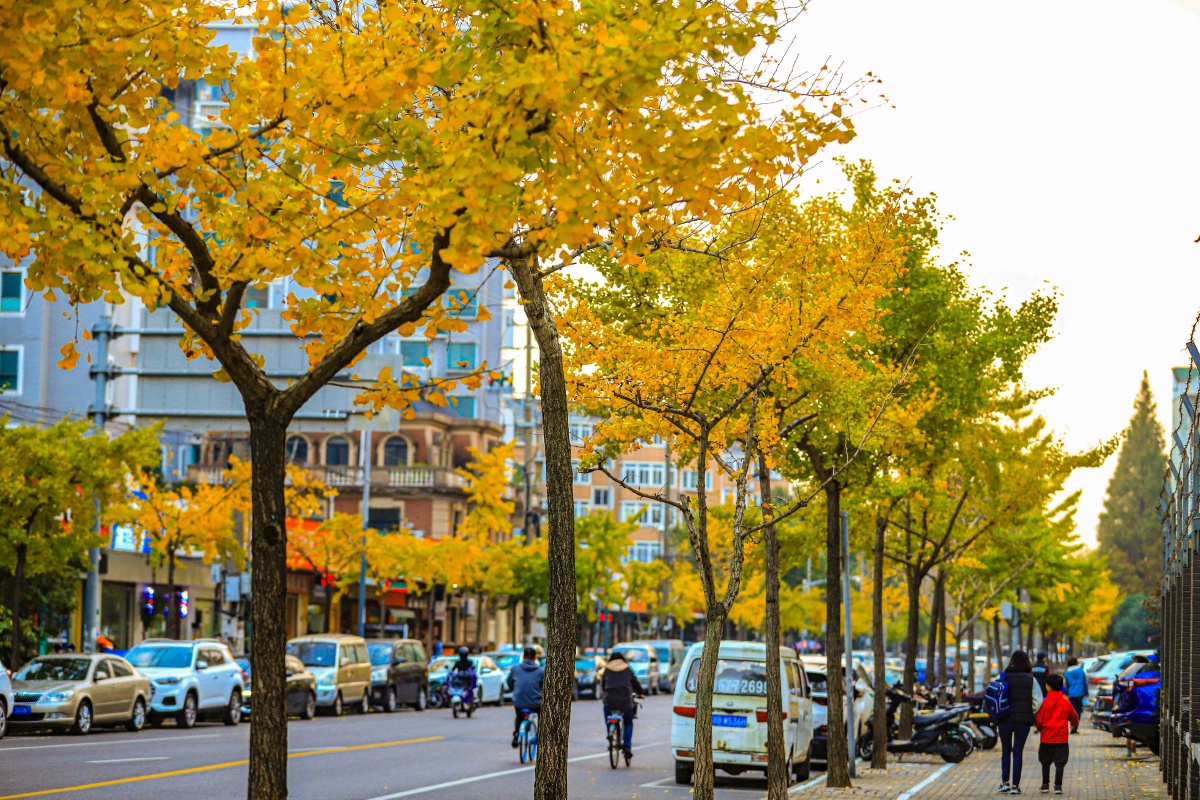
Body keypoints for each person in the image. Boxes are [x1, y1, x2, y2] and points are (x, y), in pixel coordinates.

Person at [998, 650, 1044, 795]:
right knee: (1017, 751)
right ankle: (1015, 786)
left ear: (1012, 661)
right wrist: (1030, 711)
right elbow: (1038, 701)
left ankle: (1005, 782)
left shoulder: (1003, 676)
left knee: (1006, 750)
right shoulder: (1031, 680)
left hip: (1004, 719)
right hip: (1023, 721)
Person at [1035, 674, 1079, 794]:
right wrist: (1073, 724)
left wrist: (1039, 728)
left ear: (1048, 687)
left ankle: (1045, 784)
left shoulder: (1045, 702)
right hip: (1061, 738)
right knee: (1060, 763)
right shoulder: (1065, 702)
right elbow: (1074, 716)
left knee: (1045, 762)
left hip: (1046, 738)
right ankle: (1058, 785)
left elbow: (1039, 719)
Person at [600, 650, 645, 758]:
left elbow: (603, 685)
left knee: (607, 714)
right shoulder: (627, 668)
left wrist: (605, 693)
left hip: (610, 701)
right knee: (628, 722)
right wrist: (640, 693)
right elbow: (635, 683)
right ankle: (627, 746)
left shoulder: (607, 669)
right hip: (625, 702)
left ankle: (610, 732)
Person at [506, 647, 545, 748]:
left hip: (519, 701)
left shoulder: (515, 669)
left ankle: (516, 734)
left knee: (519, 716)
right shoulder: (541, 671)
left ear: (523, 656)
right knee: (542, 714)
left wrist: (513, 689)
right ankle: (539, 735)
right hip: (535, 703)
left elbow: (509, 683)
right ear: (535, 657)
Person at [1062, 657, 1088, 732]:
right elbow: (1085, 682)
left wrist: (1065, 693)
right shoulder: (1081, 671)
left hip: (1071, 693)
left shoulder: (1067, 672)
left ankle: (1072, 725)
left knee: (1072, 710)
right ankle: (1075, 727)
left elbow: (1066, 684)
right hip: (1080, 693)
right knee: (1079, 711)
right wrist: (1086, 692)